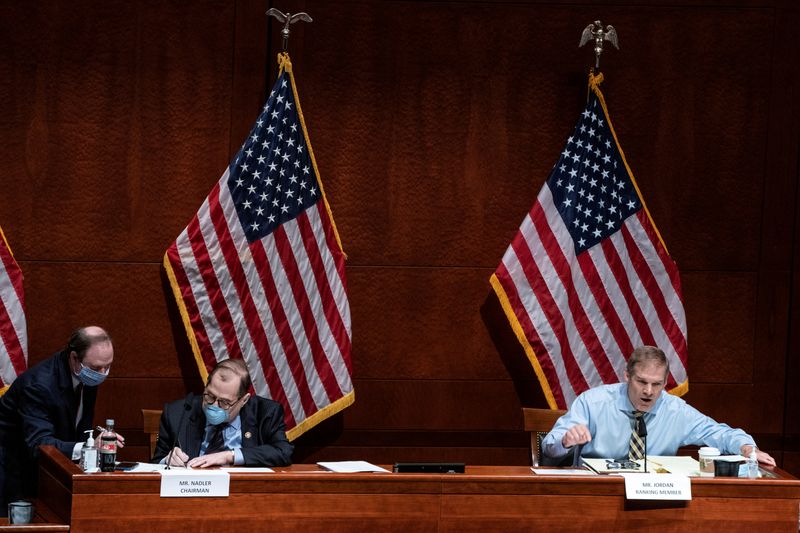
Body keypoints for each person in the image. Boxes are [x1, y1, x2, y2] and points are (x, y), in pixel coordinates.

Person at [541, 346, 776, 466]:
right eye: (641, 381)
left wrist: (747, 448)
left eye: (656, 384)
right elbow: (549, 447)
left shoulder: (675, 410)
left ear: (665, 383)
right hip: (598, 493)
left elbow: (720, 433)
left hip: (653, 495)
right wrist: (566, 440)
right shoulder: (593, 402)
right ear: (627, 376)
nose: (648, 391)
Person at [0, 326, 124, 513]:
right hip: (11, 470)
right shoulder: (39, 386)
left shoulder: (87, 376)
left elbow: (81, 429)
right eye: (97, 368)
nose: (102, 373)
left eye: (108, 366)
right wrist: (88, 448)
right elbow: (39, 445)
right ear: (74, 358)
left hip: (45, 472)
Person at [152, 358, 293, 467]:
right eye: (210, 396)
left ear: (244, 400)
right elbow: (156, 462)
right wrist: (167, 460)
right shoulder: (178, 412)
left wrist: (230, 456)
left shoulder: (265, 413)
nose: (213, 406)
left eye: (224, 402)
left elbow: (283, 452)